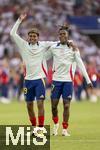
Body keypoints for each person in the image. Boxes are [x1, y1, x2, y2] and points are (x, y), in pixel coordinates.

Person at [10, 13, 56, 134]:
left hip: (39, 79)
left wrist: (70, 42)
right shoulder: (23, 45)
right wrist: (19, 20)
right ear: (28, 37)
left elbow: (56, 43)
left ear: (38, 37)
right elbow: (12, 34)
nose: (32, 38)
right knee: (29, 106)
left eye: (34, 36)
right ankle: (34, 127)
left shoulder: (43, 45)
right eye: (30, 36)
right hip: (27, 80)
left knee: (40, 103)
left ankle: (41, 128)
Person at [48, 24, 93, 136]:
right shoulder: (54, 47)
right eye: (61, 34)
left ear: (68, 36)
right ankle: (56, 124)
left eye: (64, 34)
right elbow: (44, 57)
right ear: (58, 36)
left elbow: (81, 64)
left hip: (68, 81)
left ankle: (64, 129)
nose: (62, 36)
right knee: (54, 106)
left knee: (66, 105)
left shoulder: (74, 49)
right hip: (56, 80)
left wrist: (88, 80)